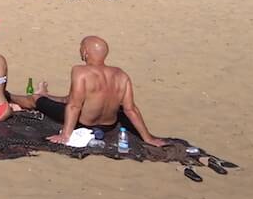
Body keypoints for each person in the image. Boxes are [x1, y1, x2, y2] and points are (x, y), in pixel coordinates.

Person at [12, 36, 166, 147]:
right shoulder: (121, 74)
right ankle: (40, 96)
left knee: (34, 100)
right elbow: (130, 109)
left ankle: (8, 96)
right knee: (42, 97)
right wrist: (148, 137)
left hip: (82, 123)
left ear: (85, 52)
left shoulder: (81, 71)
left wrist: (66, 135)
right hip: (108, 126)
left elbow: (74, 106)